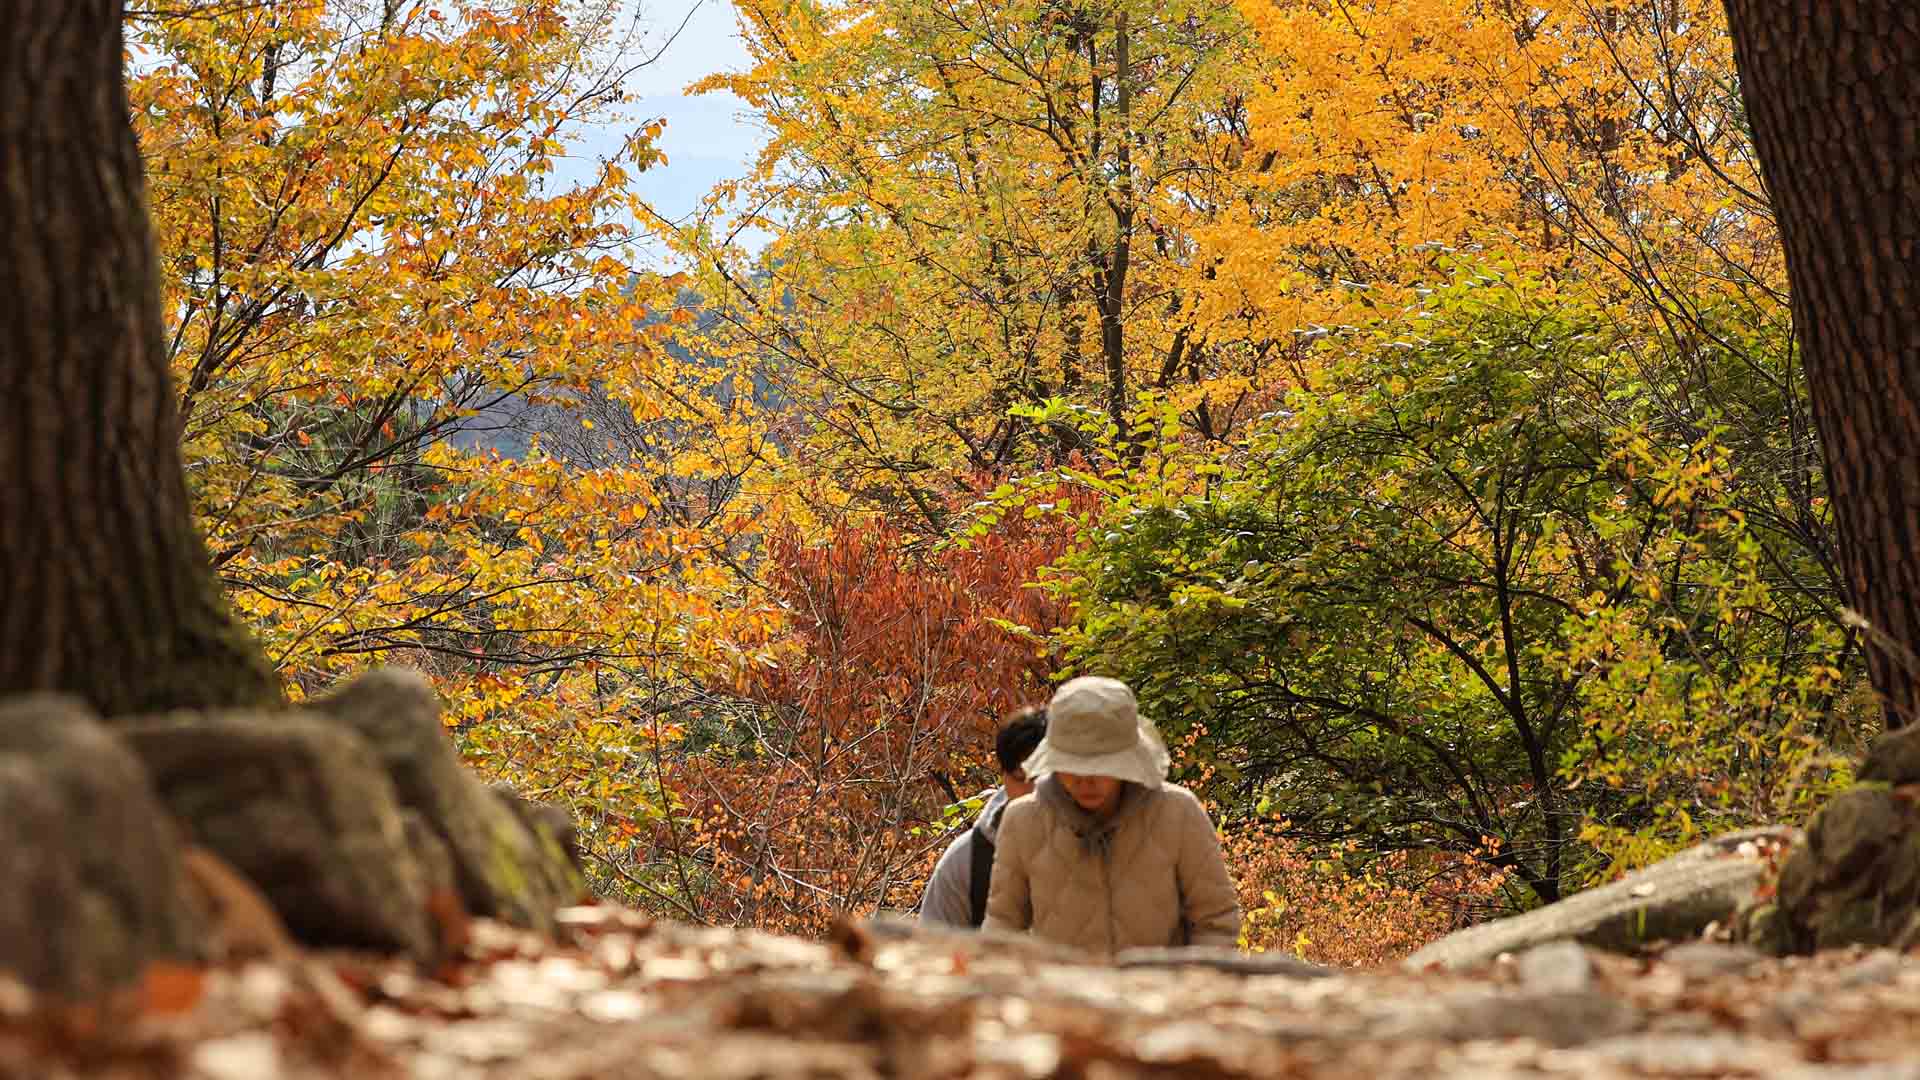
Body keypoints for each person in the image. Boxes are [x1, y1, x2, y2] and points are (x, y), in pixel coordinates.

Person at [984, 676, 1241, 955]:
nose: (1086, 781)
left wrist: (1191, 986)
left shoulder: (1178, 813)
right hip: (1060, 993)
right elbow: (1002, 927)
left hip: (1163, 991)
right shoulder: (1023, 821)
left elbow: (1216, 922)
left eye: (1100, 768)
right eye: (1073, 768)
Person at [917, 707, 1048, 928]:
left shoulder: (1101, 845)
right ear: (1004, 777)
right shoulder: (967, 861)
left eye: (1043, 777)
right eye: (1021, 778)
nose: (1033, 791)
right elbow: (930, 955)